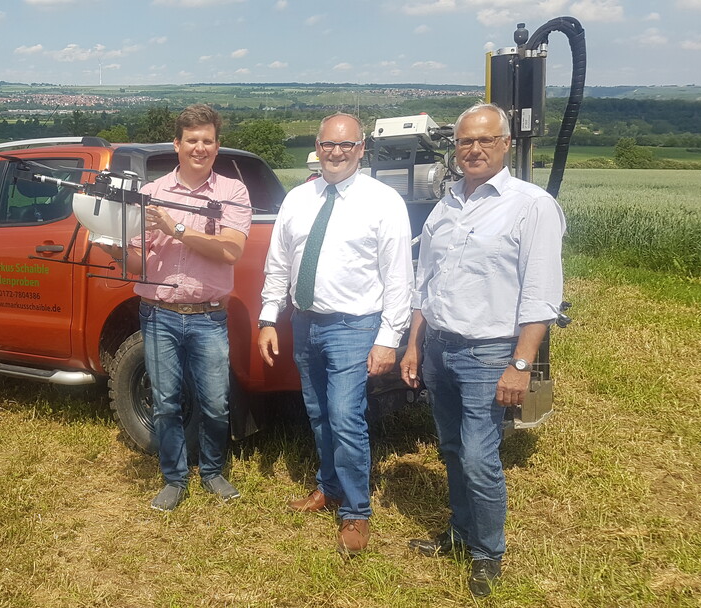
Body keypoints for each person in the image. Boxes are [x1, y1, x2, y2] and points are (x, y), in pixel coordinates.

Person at [400, 102, 565, 597]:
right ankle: (459, 532)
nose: (473, 149)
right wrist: (413, 345)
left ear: (506, 144)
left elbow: (541, 297)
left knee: (478, 456)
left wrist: (520, 365)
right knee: (451, 448)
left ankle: (487, 552)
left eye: (485, 140)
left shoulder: (531, 206)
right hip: (441, 348)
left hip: (490, 353)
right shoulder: (447, 203)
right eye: (465, 141)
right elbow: (425, 282)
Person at [257, 113, 413, 555]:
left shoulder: (383, 202)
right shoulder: (298, 199)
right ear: (318, 147)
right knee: (319, 413)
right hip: (305, 323)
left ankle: (356, 513)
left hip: (355, 325)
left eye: (347, 145)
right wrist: (269, 318)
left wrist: (388, 338)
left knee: (346, 416)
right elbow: (279, 264)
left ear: (362, 149)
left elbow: (399, 277)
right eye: (329, 144)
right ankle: (329, 488)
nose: (337, 152)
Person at [104, 104, 253, 511]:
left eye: (207, 141)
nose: (199, 148)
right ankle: (172, 479)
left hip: (208, 315)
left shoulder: (232, 194)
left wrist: (177, 229)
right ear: (177, 144)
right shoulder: (150, 195)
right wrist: (112, 245)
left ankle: (212, 472)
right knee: (167, 401)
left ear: (216, 146)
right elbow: (137, 261)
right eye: (192, 140)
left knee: (215, 401)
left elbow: (230, 251)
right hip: (158, 314)